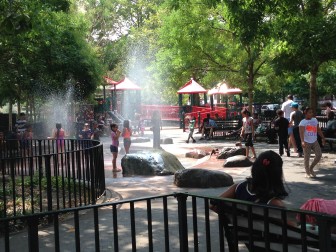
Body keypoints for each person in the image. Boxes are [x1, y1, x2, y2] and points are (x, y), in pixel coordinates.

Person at [210, 150, 288, 210]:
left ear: (255, 168)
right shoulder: (274, 203)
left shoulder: (238, 188)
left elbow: (213, 205)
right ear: (277, 174)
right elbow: (292, 226)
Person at [299, 107, 326, 178]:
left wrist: (323, 137)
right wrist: (302, 141)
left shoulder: (315, 120)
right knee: (306, 157)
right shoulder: (302, 122)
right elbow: (301, 133)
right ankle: (307, 172)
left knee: (319, 155)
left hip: (314, 140)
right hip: (306, 141)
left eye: (312, 112)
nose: (311, 114)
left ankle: (311, 168)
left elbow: (318, 130)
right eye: (310, 112)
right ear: (306, 113)